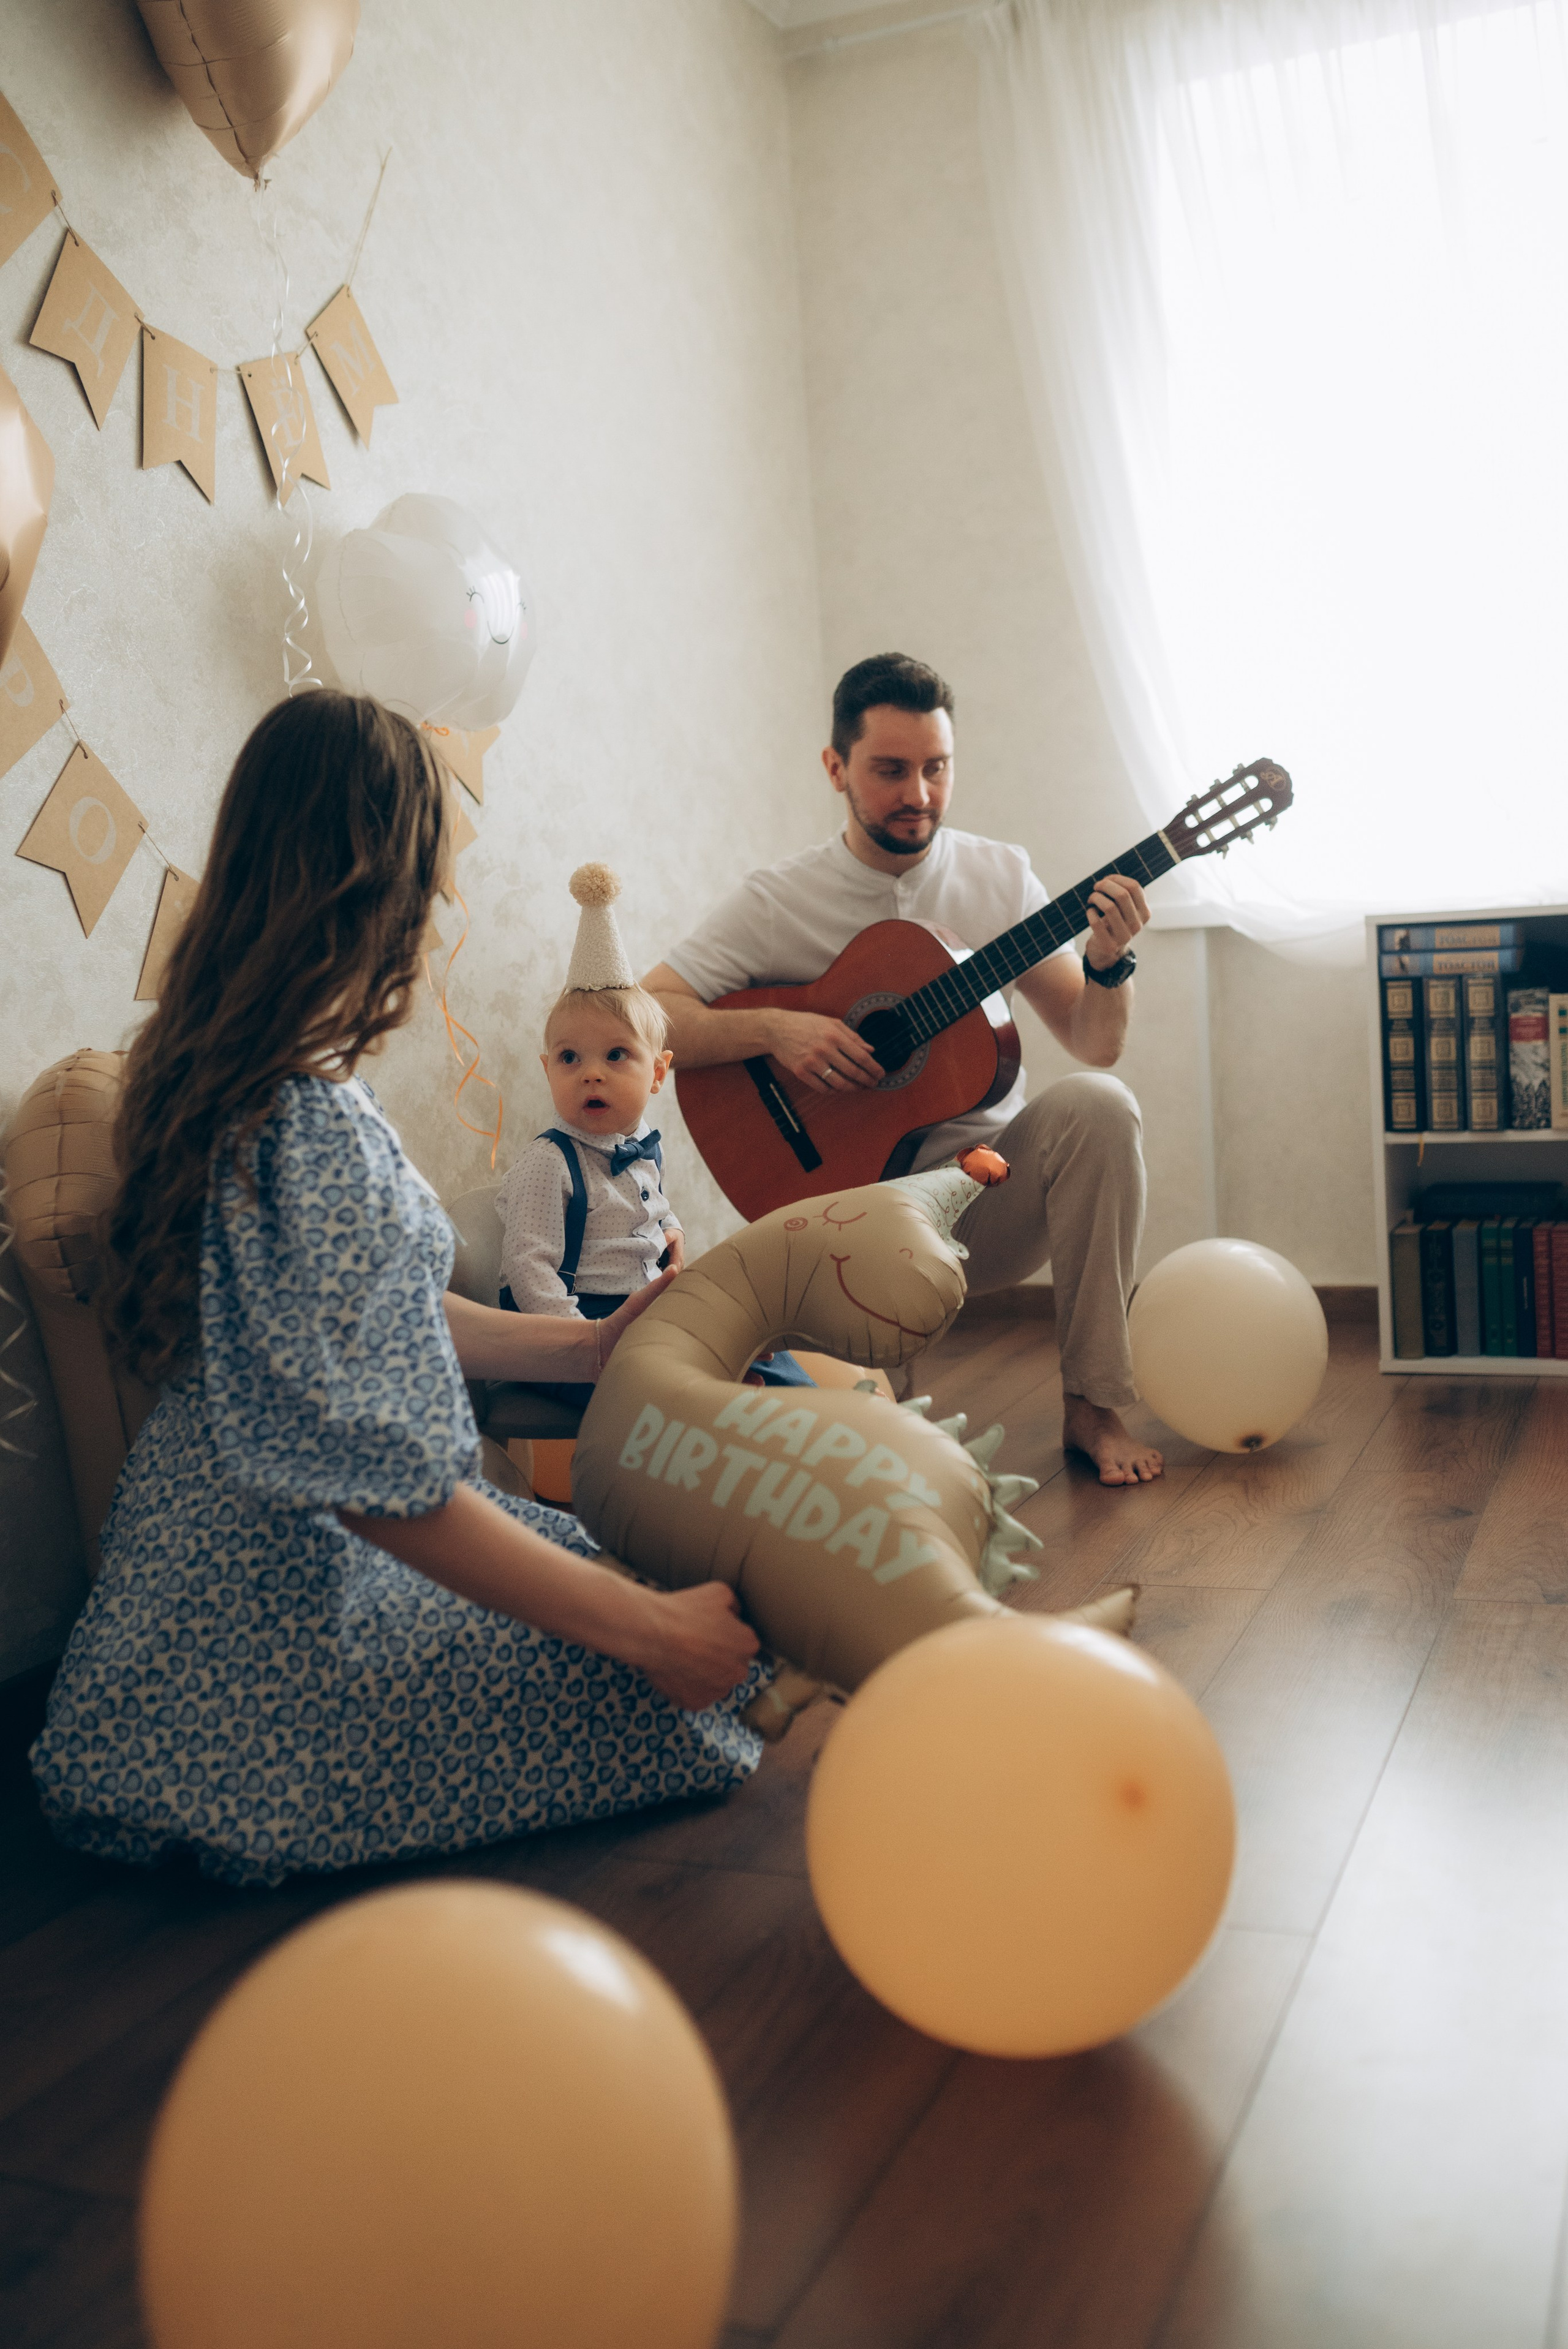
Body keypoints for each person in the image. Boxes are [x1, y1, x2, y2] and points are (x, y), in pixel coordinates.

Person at [31, 693, 764, 1890]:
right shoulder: (302, 1122)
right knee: (692, 1676)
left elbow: (371, 1321)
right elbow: (379, 1487)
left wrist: (577, 1351)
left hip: (178, 1621)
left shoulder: (222, 1069)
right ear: (380, 881)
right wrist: (651, 1637)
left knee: (639, 1582)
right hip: (264, 1664)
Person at [643, 651, 1162, 1487]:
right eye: (890, 770)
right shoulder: (780, 899)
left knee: (1103, 1103)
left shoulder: (1000, 876)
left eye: (936, 768)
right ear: (835, 767)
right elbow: (648, 1009)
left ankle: (1093, 1404)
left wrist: (1108, 964)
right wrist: (777, 1028)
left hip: (987, 1192)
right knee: (878, 1469)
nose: (918, 793)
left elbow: (1093, 1042)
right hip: (848, 1212)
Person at [497, 862, 812, 1402]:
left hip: (638, 1305)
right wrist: (585, 1344)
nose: (591, 1072)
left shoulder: (639, 1146)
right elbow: (529, 1270)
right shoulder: (549, 1161)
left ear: (659, 1073)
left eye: (616, 1054)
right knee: (689, 1383)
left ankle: (814, 1410)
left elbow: (654, 1209)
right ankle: (737, 1430)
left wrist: (672, 1232)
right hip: (574, 1326)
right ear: (548, 1070)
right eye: (570, 1058)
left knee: (755, 1345)